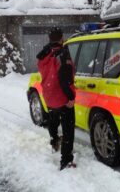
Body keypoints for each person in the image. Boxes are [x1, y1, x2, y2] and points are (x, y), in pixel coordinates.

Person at [36, 27, 76, 170]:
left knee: (53, 120)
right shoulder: (62, 54)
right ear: (62, 38)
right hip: (62, 98)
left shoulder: (43, 56)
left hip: (49, 96)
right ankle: (66, 160)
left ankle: (54, 141)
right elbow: (64, 78)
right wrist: (71, 97)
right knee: (68, 130)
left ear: (49, 39)